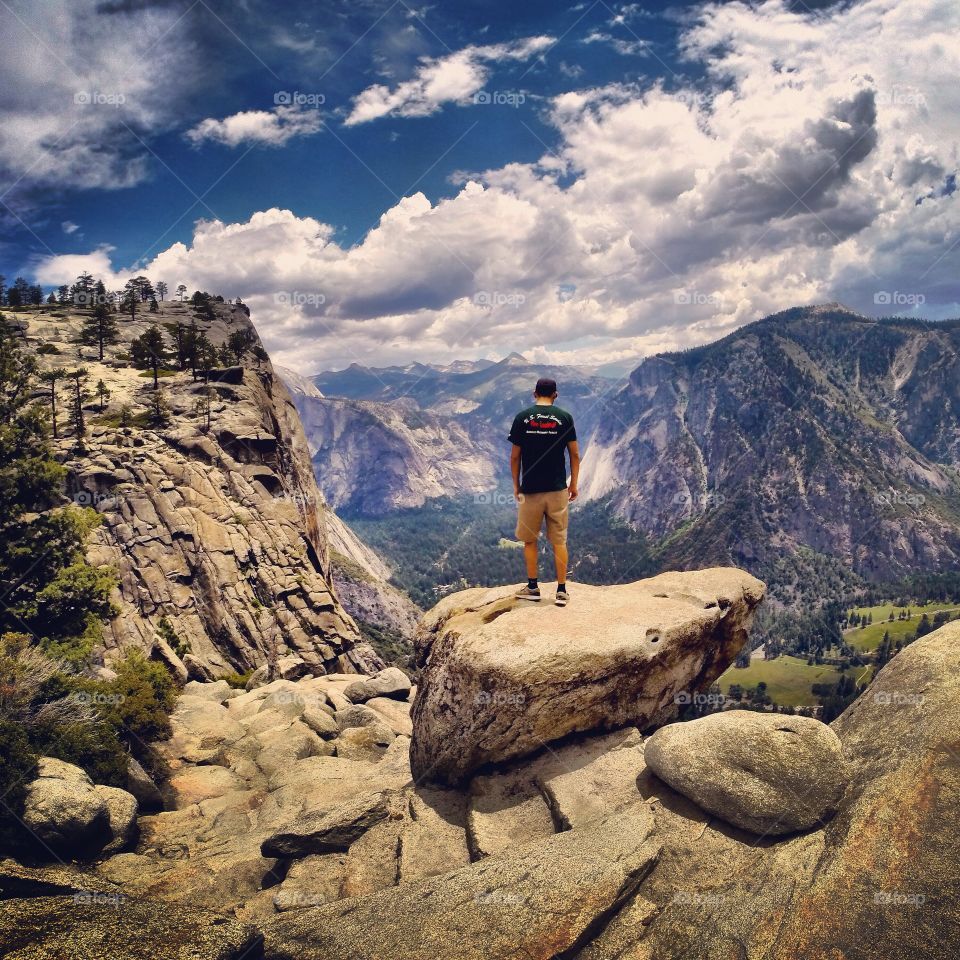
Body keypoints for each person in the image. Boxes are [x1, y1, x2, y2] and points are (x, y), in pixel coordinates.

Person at [508, 377, 580, 606]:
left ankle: (533, 588)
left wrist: (516, 485)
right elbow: (575, 455)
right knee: (559, 541)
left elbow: (515, 456)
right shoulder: (565, 418)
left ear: (534, 393)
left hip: (531, 490)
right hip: (558, 489)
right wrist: (574, 484)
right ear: (555, 395)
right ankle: (561, 591)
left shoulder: (522, 418)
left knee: (530, 540)